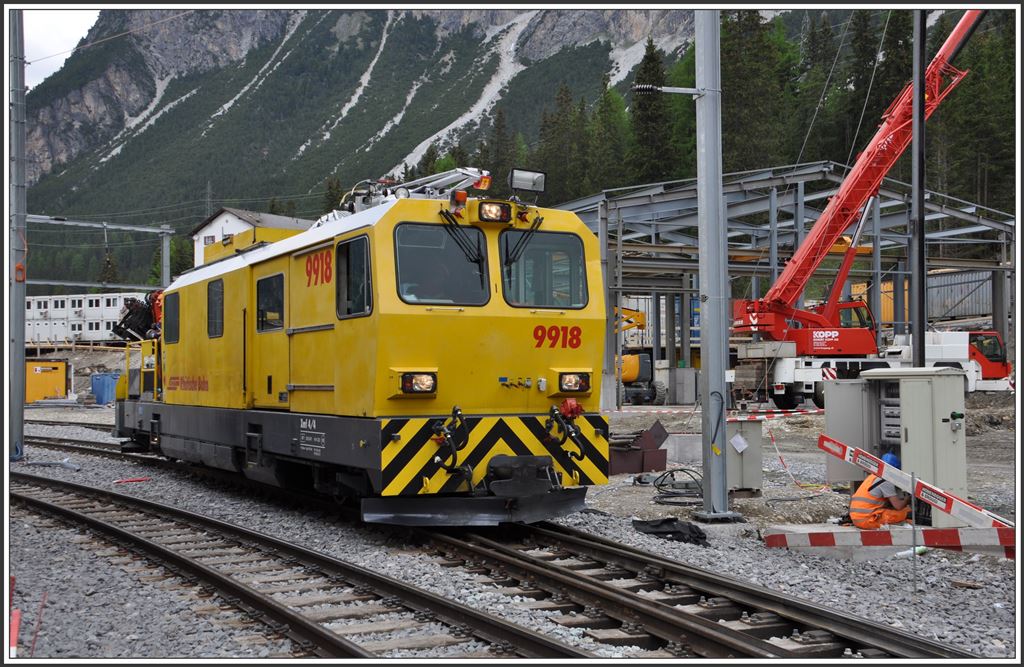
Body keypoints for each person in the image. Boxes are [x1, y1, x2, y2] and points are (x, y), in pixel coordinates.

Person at [848, 452, 911, 530]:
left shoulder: (872, 476)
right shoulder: (885, 481)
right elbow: (898, 506)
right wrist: (907, 499)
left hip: (856, 519)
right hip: (866, 520)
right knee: (904, 512)